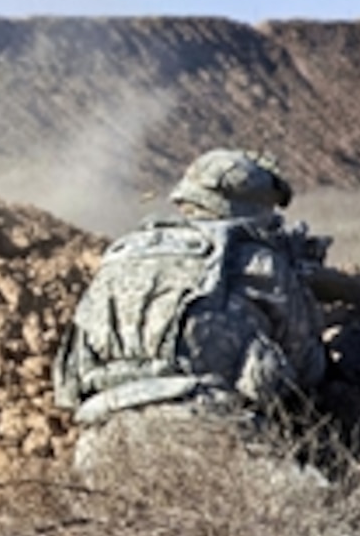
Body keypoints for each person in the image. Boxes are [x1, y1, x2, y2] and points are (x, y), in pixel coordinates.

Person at [53, 148, 328, 479]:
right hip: (210, 438)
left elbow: (68, 384)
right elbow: (305, 371)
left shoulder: (122, 255)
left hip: (104, 445)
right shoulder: (259, 263)